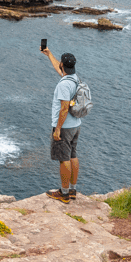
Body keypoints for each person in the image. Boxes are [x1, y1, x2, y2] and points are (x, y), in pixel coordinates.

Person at [42, 45, 82, 202]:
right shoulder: (74, 78)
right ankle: (72, 190)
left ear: (63, 65)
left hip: (64, 127)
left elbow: (64, 108)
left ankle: (64, 194)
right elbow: (60, 71)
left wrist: (57, 129)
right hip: (76, 124)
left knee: (63, 159)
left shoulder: (63, 85)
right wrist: (49, 54)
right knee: (73, 155)